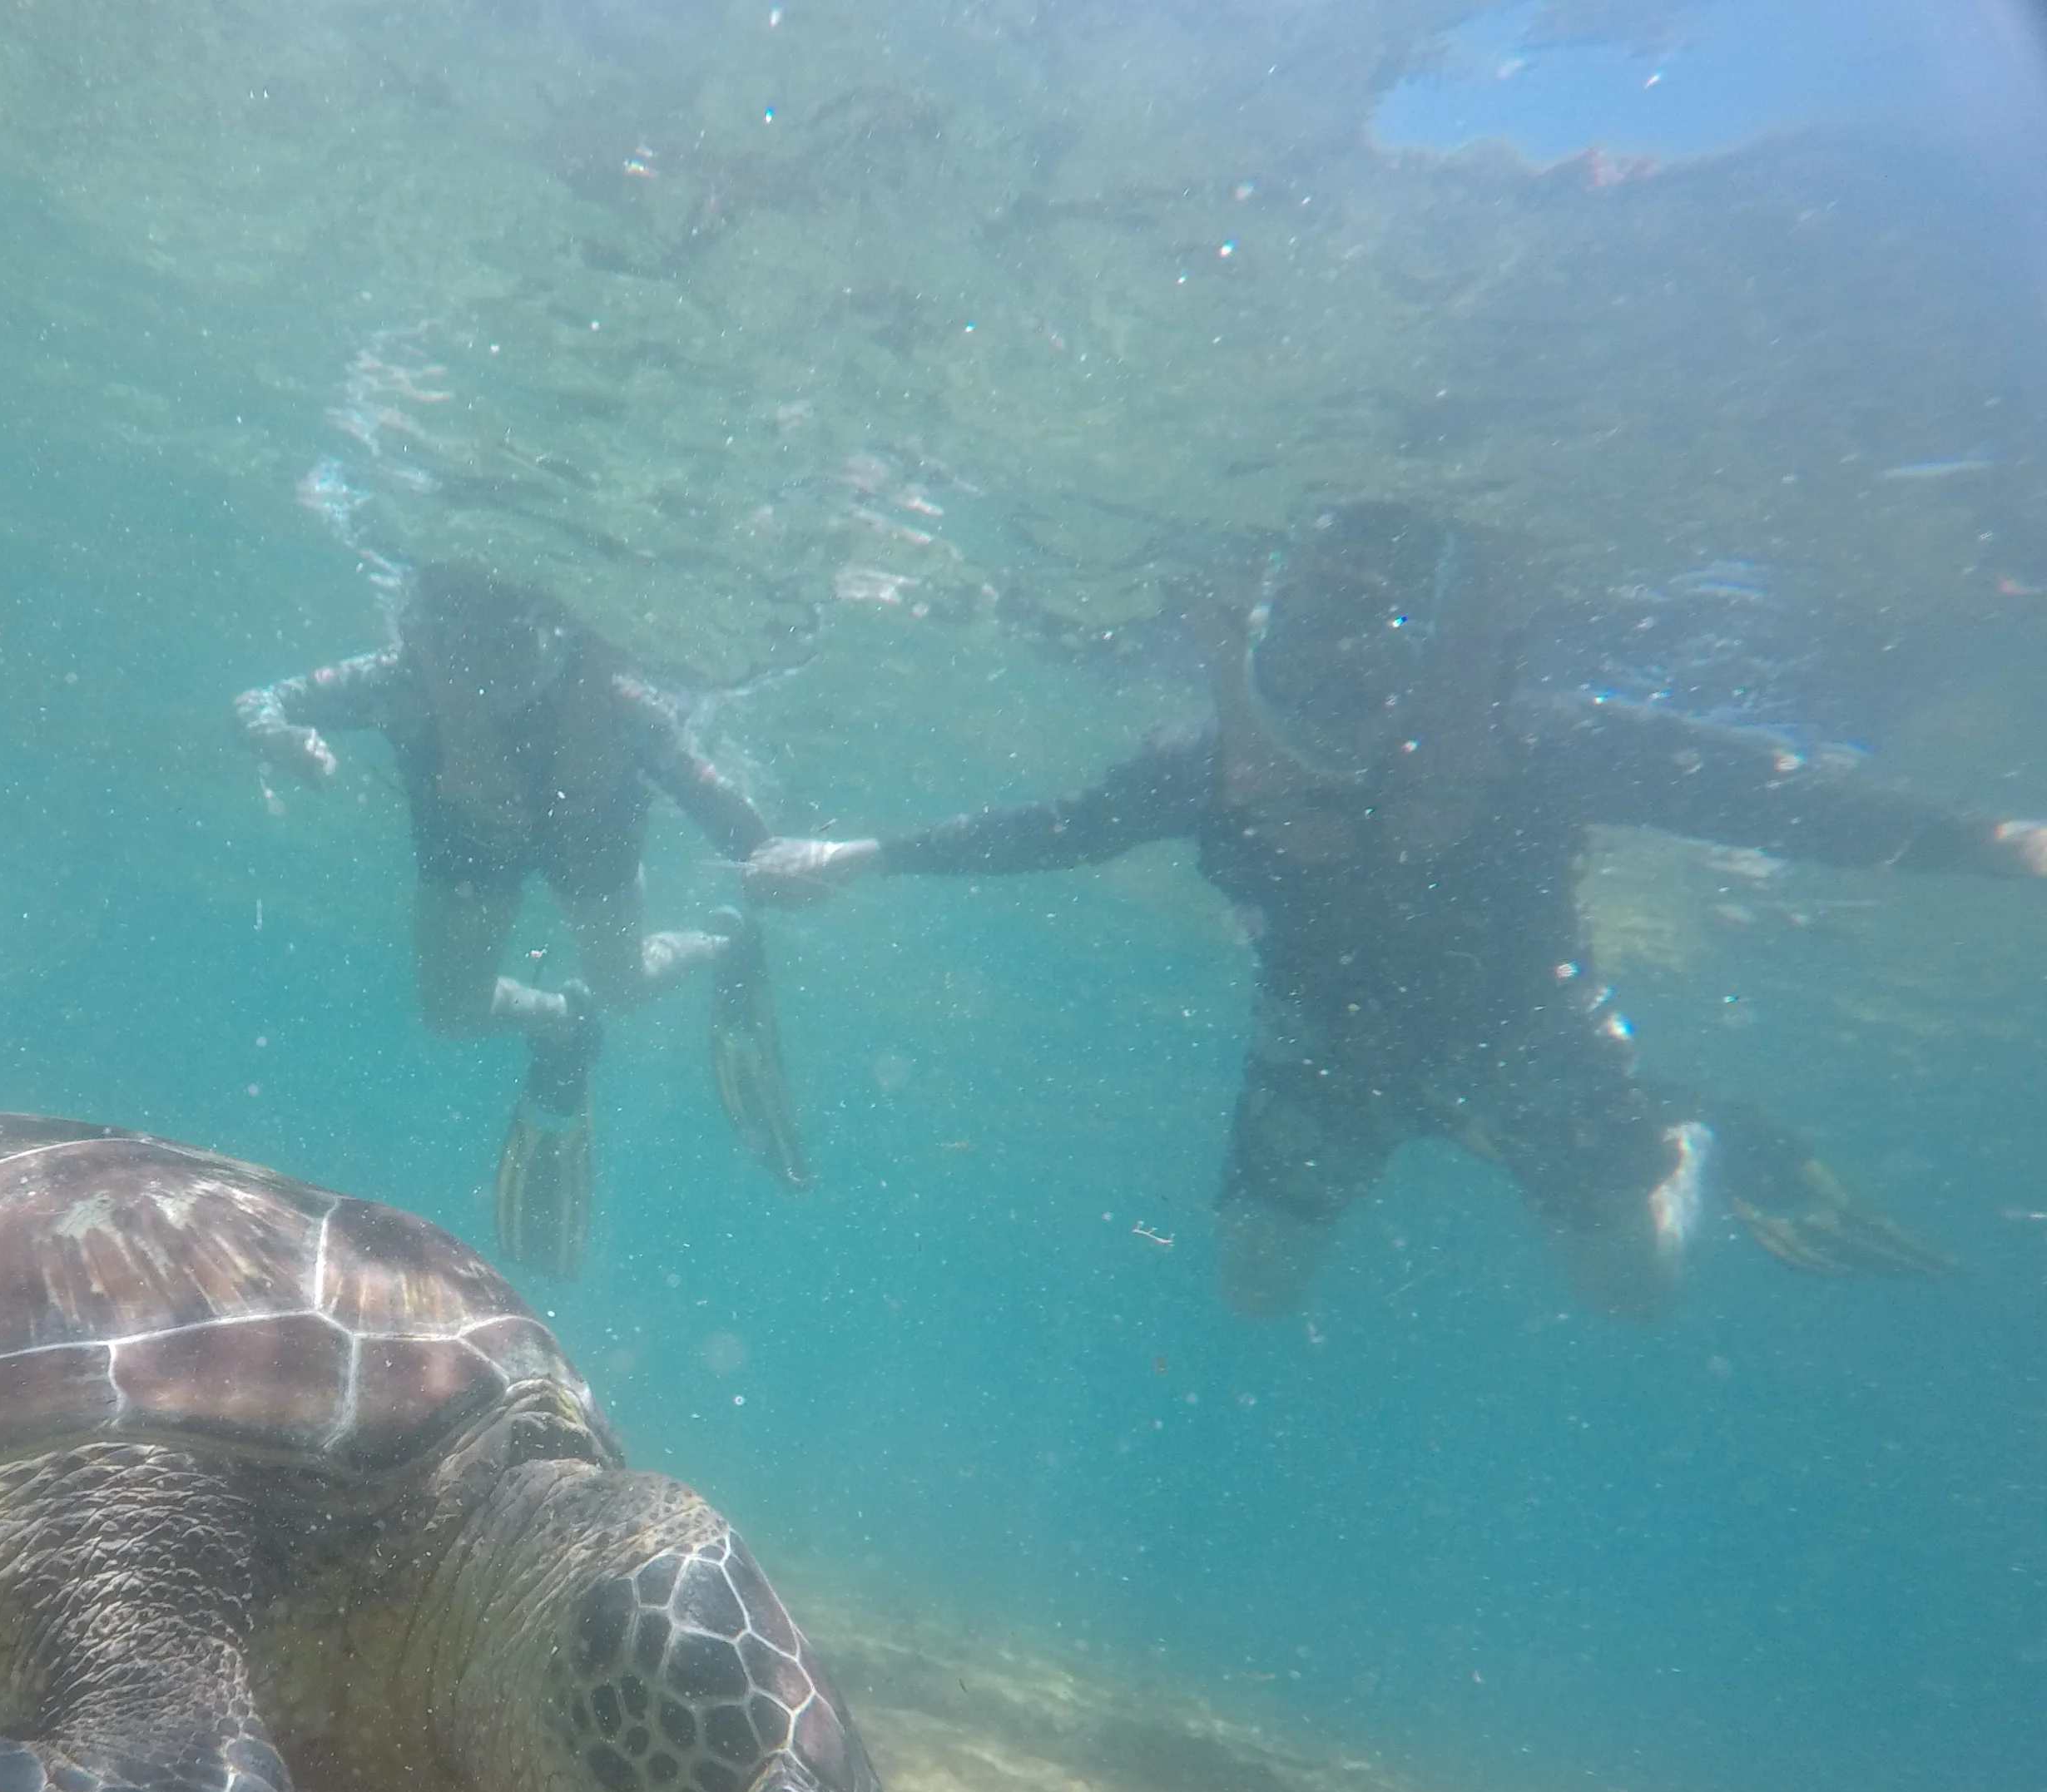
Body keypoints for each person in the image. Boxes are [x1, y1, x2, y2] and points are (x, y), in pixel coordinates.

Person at [749, 502, 2047, 1319]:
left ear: (1424, 666)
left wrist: (1989, 842)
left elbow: (1757, 800)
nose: (1338, 703)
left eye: (1374, 666)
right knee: (1254, 1293)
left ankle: (1694, 1130)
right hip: (1327, 1045)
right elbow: (1057, 829)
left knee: (1631, 1293)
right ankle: (1602, 1132)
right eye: (1305, 660)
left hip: (1534, 1032)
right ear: (1257, 652)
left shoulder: (1529, 740)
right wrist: (865, 854)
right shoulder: (1204, 762)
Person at [238, 562, 809, 1276]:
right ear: (435, 637)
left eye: (509, 649)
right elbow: (263, 700)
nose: (489, 675)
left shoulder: (621, 701)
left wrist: (774, 861)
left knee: (625, 984)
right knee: (452, 1010)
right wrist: (277, 737)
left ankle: (723, 943)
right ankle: (562, 1020)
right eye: (467, 650)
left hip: (589, 832)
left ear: (549, 631)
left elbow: (713, 798)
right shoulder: (402, 675)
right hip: (470, 839)